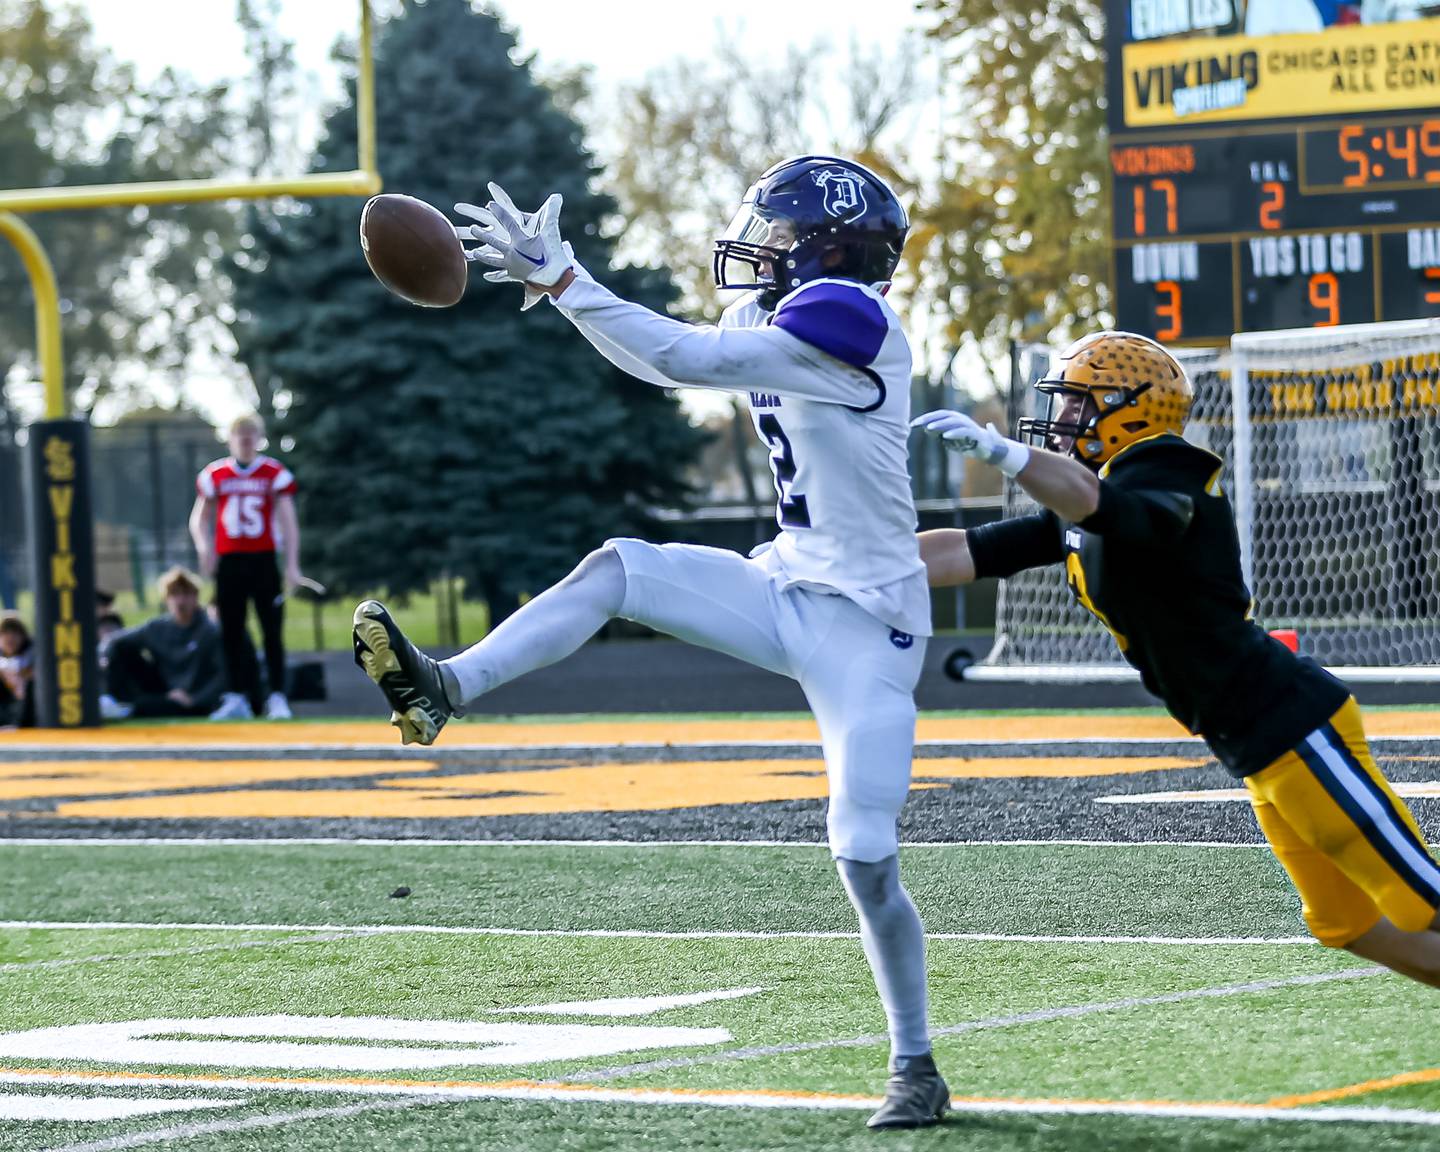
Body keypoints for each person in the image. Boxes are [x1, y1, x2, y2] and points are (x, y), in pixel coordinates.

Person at [352, 160, 949, 1128]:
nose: (761, 251)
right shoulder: (784, 316)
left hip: (869, 637)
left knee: (864, 854)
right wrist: (565, 293)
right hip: (787, 585)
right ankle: (444, 688)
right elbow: (662, 356)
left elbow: (684, 361)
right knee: (619, 568)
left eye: (780, 234)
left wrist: (566, 284)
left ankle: (915, 1062)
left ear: (830, 249)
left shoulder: (854, 320)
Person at [913, 330, 1440, 988]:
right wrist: (844, 568)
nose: (1062, 418)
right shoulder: (1085, 501)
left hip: (1294, 728)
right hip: (1251, 744)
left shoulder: (1166, 469)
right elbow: (970, 550)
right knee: (1347, 924)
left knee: (1425, 905)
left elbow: (1116, 511)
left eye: (1079, 403)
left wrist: (1007, 455)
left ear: (1130, 407)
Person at [190, 413, 305, 720]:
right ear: (230, 438)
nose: (245, 441)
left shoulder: (273, 472)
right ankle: (236, 695)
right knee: (230, 631)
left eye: (251, 435)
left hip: (263, 559)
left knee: (271, 630)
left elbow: (288, 522)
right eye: (240, 435)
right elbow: (200, 518)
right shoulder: (216, 474)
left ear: (259, 438)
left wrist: (292, 565)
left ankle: (277, 696)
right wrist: (205, 549)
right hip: (230, 561)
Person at [99, 567, 226, 720]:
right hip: (164, 692)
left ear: (195, 597)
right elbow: (114, 641)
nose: (180, 601)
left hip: (195, 697)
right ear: (166, 599)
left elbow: (222, 675)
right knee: (120, 649)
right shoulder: (157, 627)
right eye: (174, 594)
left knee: (159, 708)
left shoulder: (211, 631)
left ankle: (131, 709)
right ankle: (118, 703)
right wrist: (104, 654)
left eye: (186, 594)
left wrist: (195, 698)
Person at [0, 612, 35, 728]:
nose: (10, 637)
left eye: (15, 632)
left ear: (23, 636)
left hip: (30, 721)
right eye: (5, 632)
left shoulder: (35, 656)